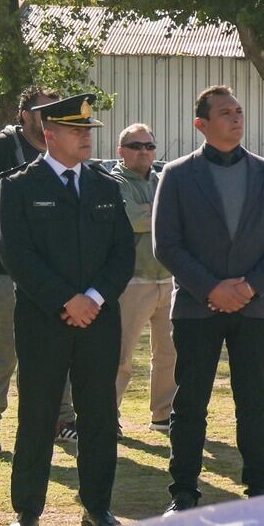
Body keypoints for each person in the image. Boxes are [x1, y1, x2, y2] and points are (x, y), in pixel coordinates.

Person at [0, 93, 135, 526]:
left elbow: (122, 255)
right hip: (44, 319)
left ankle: (97, 506)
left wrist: (92, 297)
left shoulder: (106, 186)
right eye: (76, 131)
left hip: (98, 318)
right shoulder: (17, 186)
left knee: (98, 414)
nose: (85, 138)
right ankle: (28, 511)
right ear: (48, 133)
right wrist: (65, 300)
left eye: (88, 131)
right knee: (37, 415)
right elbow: (16, 255)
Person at [152, 85, 264, 513]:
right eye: (225, 113)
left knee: (254, 401)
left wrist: (250, 287)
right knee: (190, 403)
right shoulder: (177, 175)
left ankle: (259, 487)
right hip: (198, 309)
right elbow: (167, 245)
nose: (236, 118)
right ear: (202, 124)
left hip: (256, 309)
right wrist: (212, 289)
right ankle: (183, 491)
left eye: (238, 111)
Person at [0, 85, 72, 454]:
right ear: (24, 114)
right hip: (2, 274)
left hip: (54, 276)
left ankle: (64, 420)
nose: (49, 118)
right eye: (43, 110)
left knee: (58, 348)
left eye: (57, 111)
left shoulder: (64, 150)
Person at [107, 122, 175, 436]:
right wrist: (160, 215)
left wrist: (150, 212)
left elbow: (182, 218)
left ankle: (163, 415)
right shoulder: (114, 181)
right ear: (121, 151)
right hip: (131, 281)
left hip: (168, 280)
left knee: (169, 355)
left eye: (149, 145)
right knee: (120, 355)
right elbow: (131, 220)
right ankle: (106, 416)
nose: (144, 151)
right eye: (136, 146)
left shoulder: (164, 179)